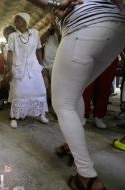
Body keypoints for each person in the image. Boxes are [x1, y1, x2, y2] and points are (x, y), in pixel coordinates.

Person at [28, 0, 125, 189]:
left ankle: (87, 177)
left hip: (85, 27)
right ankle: (72, 146)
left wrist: (53, 4)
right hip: (117, 29)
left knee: (62, 104)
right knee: (75, 90)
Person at [7, 12, 49, 129]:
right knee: (19, 94)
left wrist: (41, 67)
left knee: (40, 91)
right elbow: (9, 54)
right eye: (15, 20)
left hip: (34, 68)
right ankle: (14, 117)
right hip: (19, 69)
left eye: (18, 19)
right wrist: (9, 70)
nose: (15, 22)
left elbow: (38, 50)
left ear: (25, 21)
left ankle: (41, 114)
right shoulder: (13, 36)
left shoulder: (35, 33)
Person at [83, 59, 118, 129]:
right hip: (92, 54)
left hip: (111, 55)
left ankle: (99, 116)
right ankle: (83, 114)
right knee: (87, 87)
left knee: (104, 87)